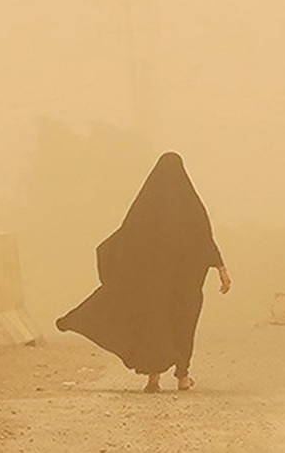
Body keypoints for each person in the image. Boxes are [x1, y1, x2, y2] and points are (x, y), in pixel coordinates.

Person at [55, 151, 231, 392]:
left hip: (155, 284)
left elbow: (127, 237)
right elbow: (204, 239)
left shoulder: (147, 205)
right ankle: (182, 377)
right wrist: (221, 269)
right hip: (186, 284)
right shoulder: (191, 205)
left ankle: (153, 379)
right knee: (184, 323)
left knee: (156, 325)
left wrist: (111, 257)